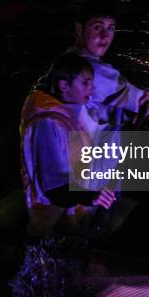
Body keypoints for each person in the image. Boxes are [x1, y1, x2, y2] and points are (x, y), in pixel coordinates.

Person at [21, 53, 116, 237]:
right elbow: (55, 188)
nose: (92, 87)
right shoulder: (47, 123)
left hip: (68, 209)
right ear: (64, 85)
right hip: (49, 221)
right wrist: (92, 196)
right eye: (86, 83)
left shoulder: (66, 112)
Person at [66, 4, 149, 129]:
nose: (105, 36)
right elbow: (142, 103)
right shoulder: (94, 71)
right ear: (79, 28)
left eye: (111, 28)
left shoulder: (65, 60)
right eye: (97, 27)